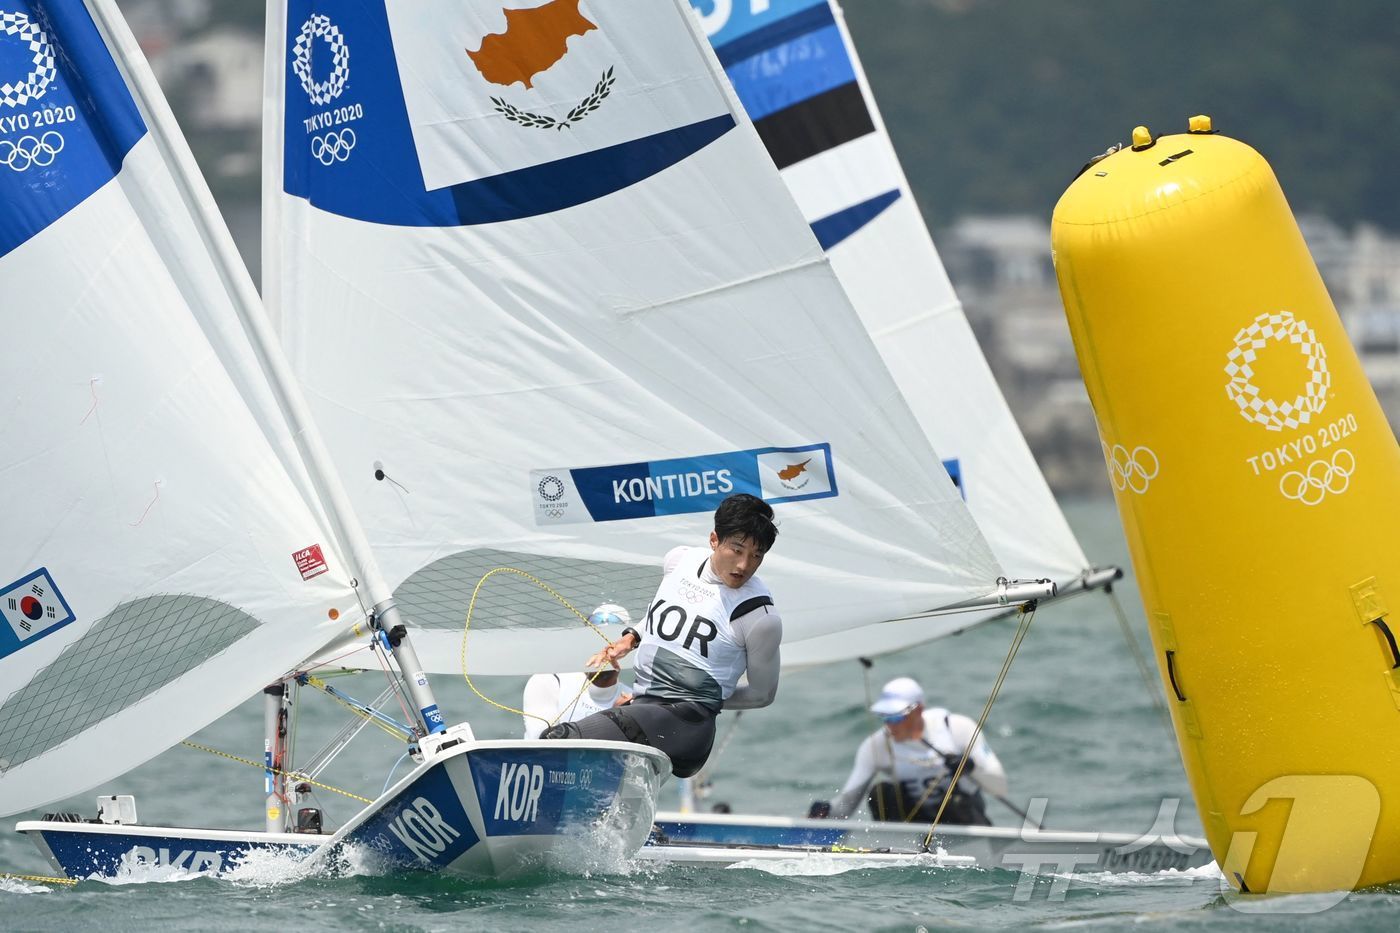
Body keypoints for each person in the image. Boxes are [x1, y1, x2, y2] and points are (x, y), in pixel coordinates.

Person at [541, 493, 782, 778]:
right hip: (645, 708)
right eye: (737, 550)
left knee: (559, 739)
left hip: (688, 724)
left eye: (756, 556)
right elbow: (663, 613)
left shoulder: (760, 618)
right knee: (601, 779)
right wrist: (630, 639)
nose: (744, 565)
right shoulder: (679, 561)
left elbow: (761, 695)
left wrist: (702, 697)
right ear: (714, 540)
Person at [817, 676, 1008, 825]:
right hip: (914, 824)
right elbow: (847, 803)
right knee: (881, 793)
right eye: (885, 717)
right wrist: (825, 811)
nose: (890, 726)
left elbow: (1000, 787)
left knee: (954, 801)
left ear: (919, 710)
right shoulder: (876, 746)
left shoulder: (957, 729)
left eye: (896, 718)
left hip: (963, 819)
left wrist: (971, 767)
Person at [521, 605, 634, 739]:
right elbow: (543, 741)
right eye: (596, 641)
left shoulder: (633, 702)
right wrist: (613, 718)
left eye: (612, 645)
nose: (604, 652)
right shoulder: (549, 681)